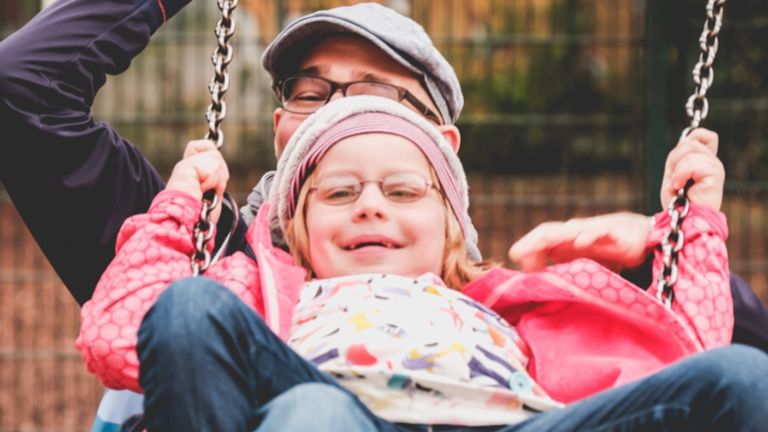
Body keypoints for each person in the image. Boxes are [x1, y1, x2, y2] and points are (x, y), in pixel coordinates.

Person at [0, 0, 766, 427]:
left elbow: (706, 367)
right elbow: (20, 88)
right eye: (312, 90)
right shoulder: (210, 251)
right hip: (303, 404)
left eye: (379, 93)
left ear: (443, 154)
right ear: (279, 130)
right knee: (306, 409)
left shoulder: (502, 301)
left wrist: (672, 252)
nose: (343, 111)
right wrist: (174, 211)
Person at [76, 95, 765, 431]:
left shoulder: (511, 302)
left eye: (404, 191)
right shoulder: (268, 290)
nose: (371, 206)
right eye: (340, 193)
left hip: (514, 424)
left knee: (741, 374)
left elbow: (683, 348)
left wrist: (695, 223)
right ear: (300, 231)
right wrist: (176, 211)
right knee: (296, 396)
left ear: (449, 229)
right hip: (329, 411)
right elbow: (122, 337)